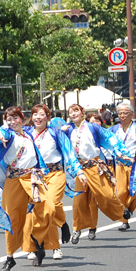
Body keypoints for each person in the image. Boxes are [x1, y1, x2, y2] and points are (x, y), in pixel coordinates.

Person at [0, 106, 56, 271]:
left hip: (32, 177)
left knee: (49, 208)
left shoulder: (28, 133)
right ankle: (10, 257)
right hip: (13, 180)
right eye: (8, 119)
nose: (12, 122)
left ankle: (37, 239)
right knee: (12, 218)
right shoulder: (7, 134)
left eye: (15, 118)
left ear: (21, 119)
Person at [23, 105, 87, 261]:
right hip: (34, 176)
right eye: (35, 114)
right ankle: (35, 245)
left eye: (41, 114)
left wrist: (79, 171)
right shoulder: (25, 135)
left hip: (55, 174)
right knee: (35, 212)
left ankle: (55, 245)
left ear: (48, 117)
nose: (38, 117)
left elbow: (70, 154)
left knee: (50, 205)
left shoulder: (56, 133)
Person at [61, 104, 130, 243]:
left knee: (105, 194)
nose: (73, 114)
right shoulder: (69, 130)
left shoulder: (92, 127)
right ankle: (77, 229)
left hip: (94, 165)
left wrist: (119, 151)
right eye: (70, 112)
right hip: (79, 169)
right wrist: (59, 130)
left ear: (82, 113)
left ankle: (121, 211)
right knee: (79, 201)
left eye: (76, 111)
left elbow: (110, 138)